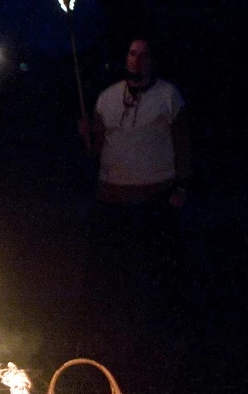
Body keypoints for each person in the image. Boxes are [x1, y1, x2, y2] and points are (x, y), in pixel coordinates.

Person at [78, 38, 192, 337]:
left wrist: (181, 186)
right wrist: (87, 135)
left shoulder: (169, 96)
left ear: (152, 60)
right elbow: (96, 150)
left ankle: (163, 331)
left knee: (157, 274)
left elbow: (183, 145)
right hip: (112, 199)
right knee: (115, 274)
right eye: (132, 53)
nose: (137, 59)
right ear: (125, 58)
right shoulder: (106, 98)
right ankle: (113, 329)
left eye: (144, 55)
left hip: (155, 198)